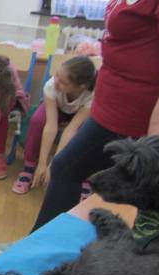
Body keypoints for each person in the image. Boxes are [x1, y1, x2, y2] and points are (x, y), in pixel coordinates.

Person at [28, 0, 159, 235]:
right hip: (111, 103)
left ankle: (45, 249)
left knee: (69, 169)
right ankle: (54, 248)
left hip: (133, 112)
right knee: (95, 183)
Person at [12, 56, 96, 194]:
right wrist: (42, 163)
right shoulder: (51, 85)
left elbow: (70, 130)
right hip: (57, 109)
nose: (56, 81)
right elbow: (51, 126)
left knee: (88, 132)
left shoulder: (93, 95)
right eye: (57, 75)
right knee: (37, 120)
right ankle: (29, 167)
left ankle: (83, 177)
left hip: (78, 115)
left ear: (81, 86)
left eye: (63, 82)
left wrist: (53, 166)